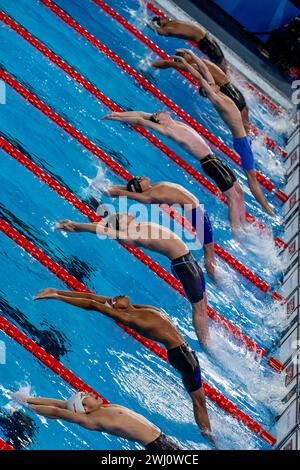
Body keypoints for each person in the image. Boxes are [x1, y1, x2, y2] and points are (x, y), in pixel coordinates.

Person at [34, 287, 216, 446]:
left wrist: (57, 290)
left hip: (182, 353)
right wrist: (57, 297)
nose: (115, 298)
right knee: (199, 402)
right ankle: (211, 441)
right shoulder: (131, 317)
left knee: (199, 401)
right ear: (117, 309)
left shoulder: (133, 309)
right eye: (113, 302)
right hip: (183, 356)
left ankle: (208, 435)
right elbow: (92, 305)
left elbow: (93, 298)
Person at [55, 216, 209, 348]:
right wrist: (76, 225)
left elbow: (103, 226)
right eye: (119, 217)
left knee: (203, 304)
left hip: (188, 261)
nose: (123, 214)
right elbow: (102, 230)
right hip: (184, 265)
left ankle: (206, 337)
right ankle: (206, 344)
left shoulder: (136, 227)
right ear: (120, 226)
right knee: (199, 308)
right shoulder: (131, 236)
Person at [101, 111, 246, 237]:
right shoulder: (167, 130)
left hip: (216, 160)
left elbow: (142, 114)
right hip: (210, 163)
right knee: (233, 198)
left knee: (240, 193)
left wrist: (119, 112)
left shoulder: (174, 123)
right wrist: (117, 116)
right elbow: (140, 120)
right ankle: (236, 233)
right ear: (159, 120)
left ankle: (244, 226)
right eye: (158, 114)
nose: (159, 111)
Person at [173, 55, 275, 217]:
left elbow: (205, 71)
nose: (215, 84)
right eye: (211, 85)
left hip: (243, 139)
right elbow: (200, 77)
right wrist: (185, 63)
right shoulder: (216, 99)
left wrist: (192, 56)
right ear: (209, 91)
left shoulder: (219, 94)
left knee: (253, 175)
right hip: (242, 143)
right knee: (252, 178)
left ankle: (266, 207)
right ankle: (267, 209)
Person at [107, 177, 216, 279]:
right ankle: (215, 278)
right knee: (209, 251)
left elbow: (127, 189)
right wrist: (104, 189)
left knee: (209, 250)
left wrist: (111, 185)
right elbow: (121, 193)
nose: (141, 177)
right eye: (139, 179)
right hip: (196, 214)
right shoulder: (147, 196)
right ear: (140, 187)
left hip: (197, 211)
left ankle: (213, 272)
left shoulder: (153, 187)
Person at [13, 391, 181, 450]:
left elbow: (61, 403)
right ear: (85, 408)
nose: (92, 394)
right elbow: (58, 412)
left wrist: (29, 398)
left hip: (163, 439)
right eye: (88, 396)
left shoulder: (103, 408)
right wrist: (28, 406)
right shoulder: (91, 420)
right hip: (158, 447)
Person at [151, 50, 249, 132]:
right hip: (235, 93)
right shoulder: (203, 62)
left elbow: (170, 63)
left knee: (241, 130)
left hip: (230, 95)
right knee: (246, 128)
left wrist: (153, 64)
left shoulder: (195, 66)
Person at [150, 16, 228, 73]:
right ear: (160, 23)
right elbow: (159, 30)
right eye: (160, 19)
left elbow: (157, 29)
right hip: (206, 40)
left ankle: (224, 80)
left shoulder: (169, 26)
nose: (163, 18)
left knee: (220, 64)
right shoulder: (170, 26)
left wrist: (149, 23)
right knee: (220, 62)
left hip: (205, 41)